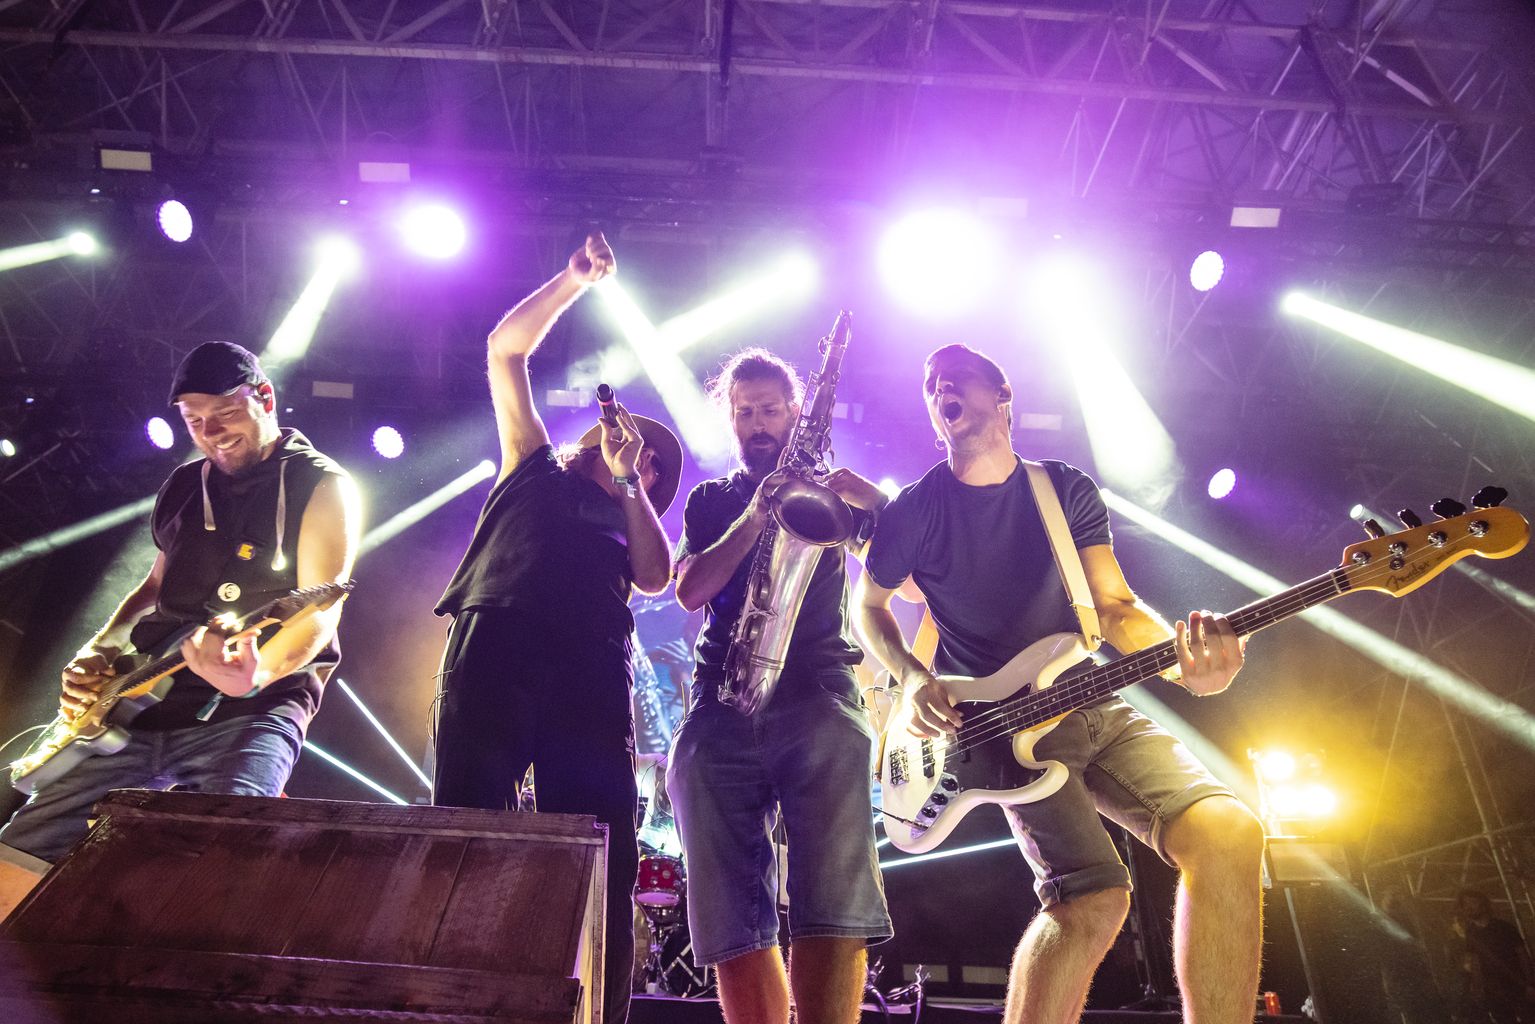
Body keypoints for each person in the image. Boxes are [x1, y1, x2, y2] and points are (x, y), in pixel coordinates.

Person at [853, 342, 1264, 1024]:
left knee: (1228, 834)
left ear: (1001, 397)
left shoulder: (1062, 488)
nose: (938, 388)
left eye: (954, 379)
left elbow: (1114, 606)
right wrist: (912, 677)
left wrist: (1180, 660)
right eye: (929, 385)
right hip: (1004, 731)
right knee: (1091, 902)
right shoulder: (914, 510)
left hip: (1091, 701)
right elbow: (865, 608)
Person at [0, 341, 360, 918]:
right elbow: (153, 586)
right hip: (142, 702)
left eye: (225, 414)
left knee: (228, 854)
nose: (211, 432)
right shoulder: (183, 485)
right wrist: (103, 644)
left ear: (264, 397)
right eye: (195, 421)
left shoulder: (323, 484)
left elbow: (320, 609)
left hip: (251, 711)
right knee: (23, 844)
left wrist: (254, 673)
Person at [430, 232, 679, 1024]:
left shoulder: (626, 514)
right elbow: (506, 352)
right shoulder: (532, 459)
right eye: (615, 437)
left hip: (586, 663)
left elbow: (654, 577)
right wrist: (571, 281)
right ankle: (461, 995)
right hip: (493, 638)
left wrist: (633, 484)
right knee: (469, 815)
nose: (614, 444)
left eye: (641, 457)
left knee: (597, 833)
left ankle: (595, 1008)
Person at [669, 347, 893, 1024]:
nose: (757, 424)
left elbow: (905, 579)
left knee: (831, 894)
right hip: (722, 696)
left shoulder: (835, 490)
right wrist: (756, 518)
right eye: (743, 413)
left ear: (798, 414)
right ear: (726, 417)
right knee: (729, 907)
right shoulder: (713, 500)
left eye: (770, 410)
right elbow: (689, 588)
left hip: (818, 688)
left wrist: (871, 505)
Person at [1452, 888, 1534, 1023]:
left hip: (1517, 987)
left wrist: (1530, 984)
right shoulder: (1471, 934)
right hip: (1494, 993)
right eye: (1465, 905)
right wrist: (1477, 989)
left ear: (1483, 903)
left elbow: (1523, 956)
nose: (1469, 908)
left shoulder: (1504, 927)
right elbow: (1475, 962)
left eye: (1472, 902)